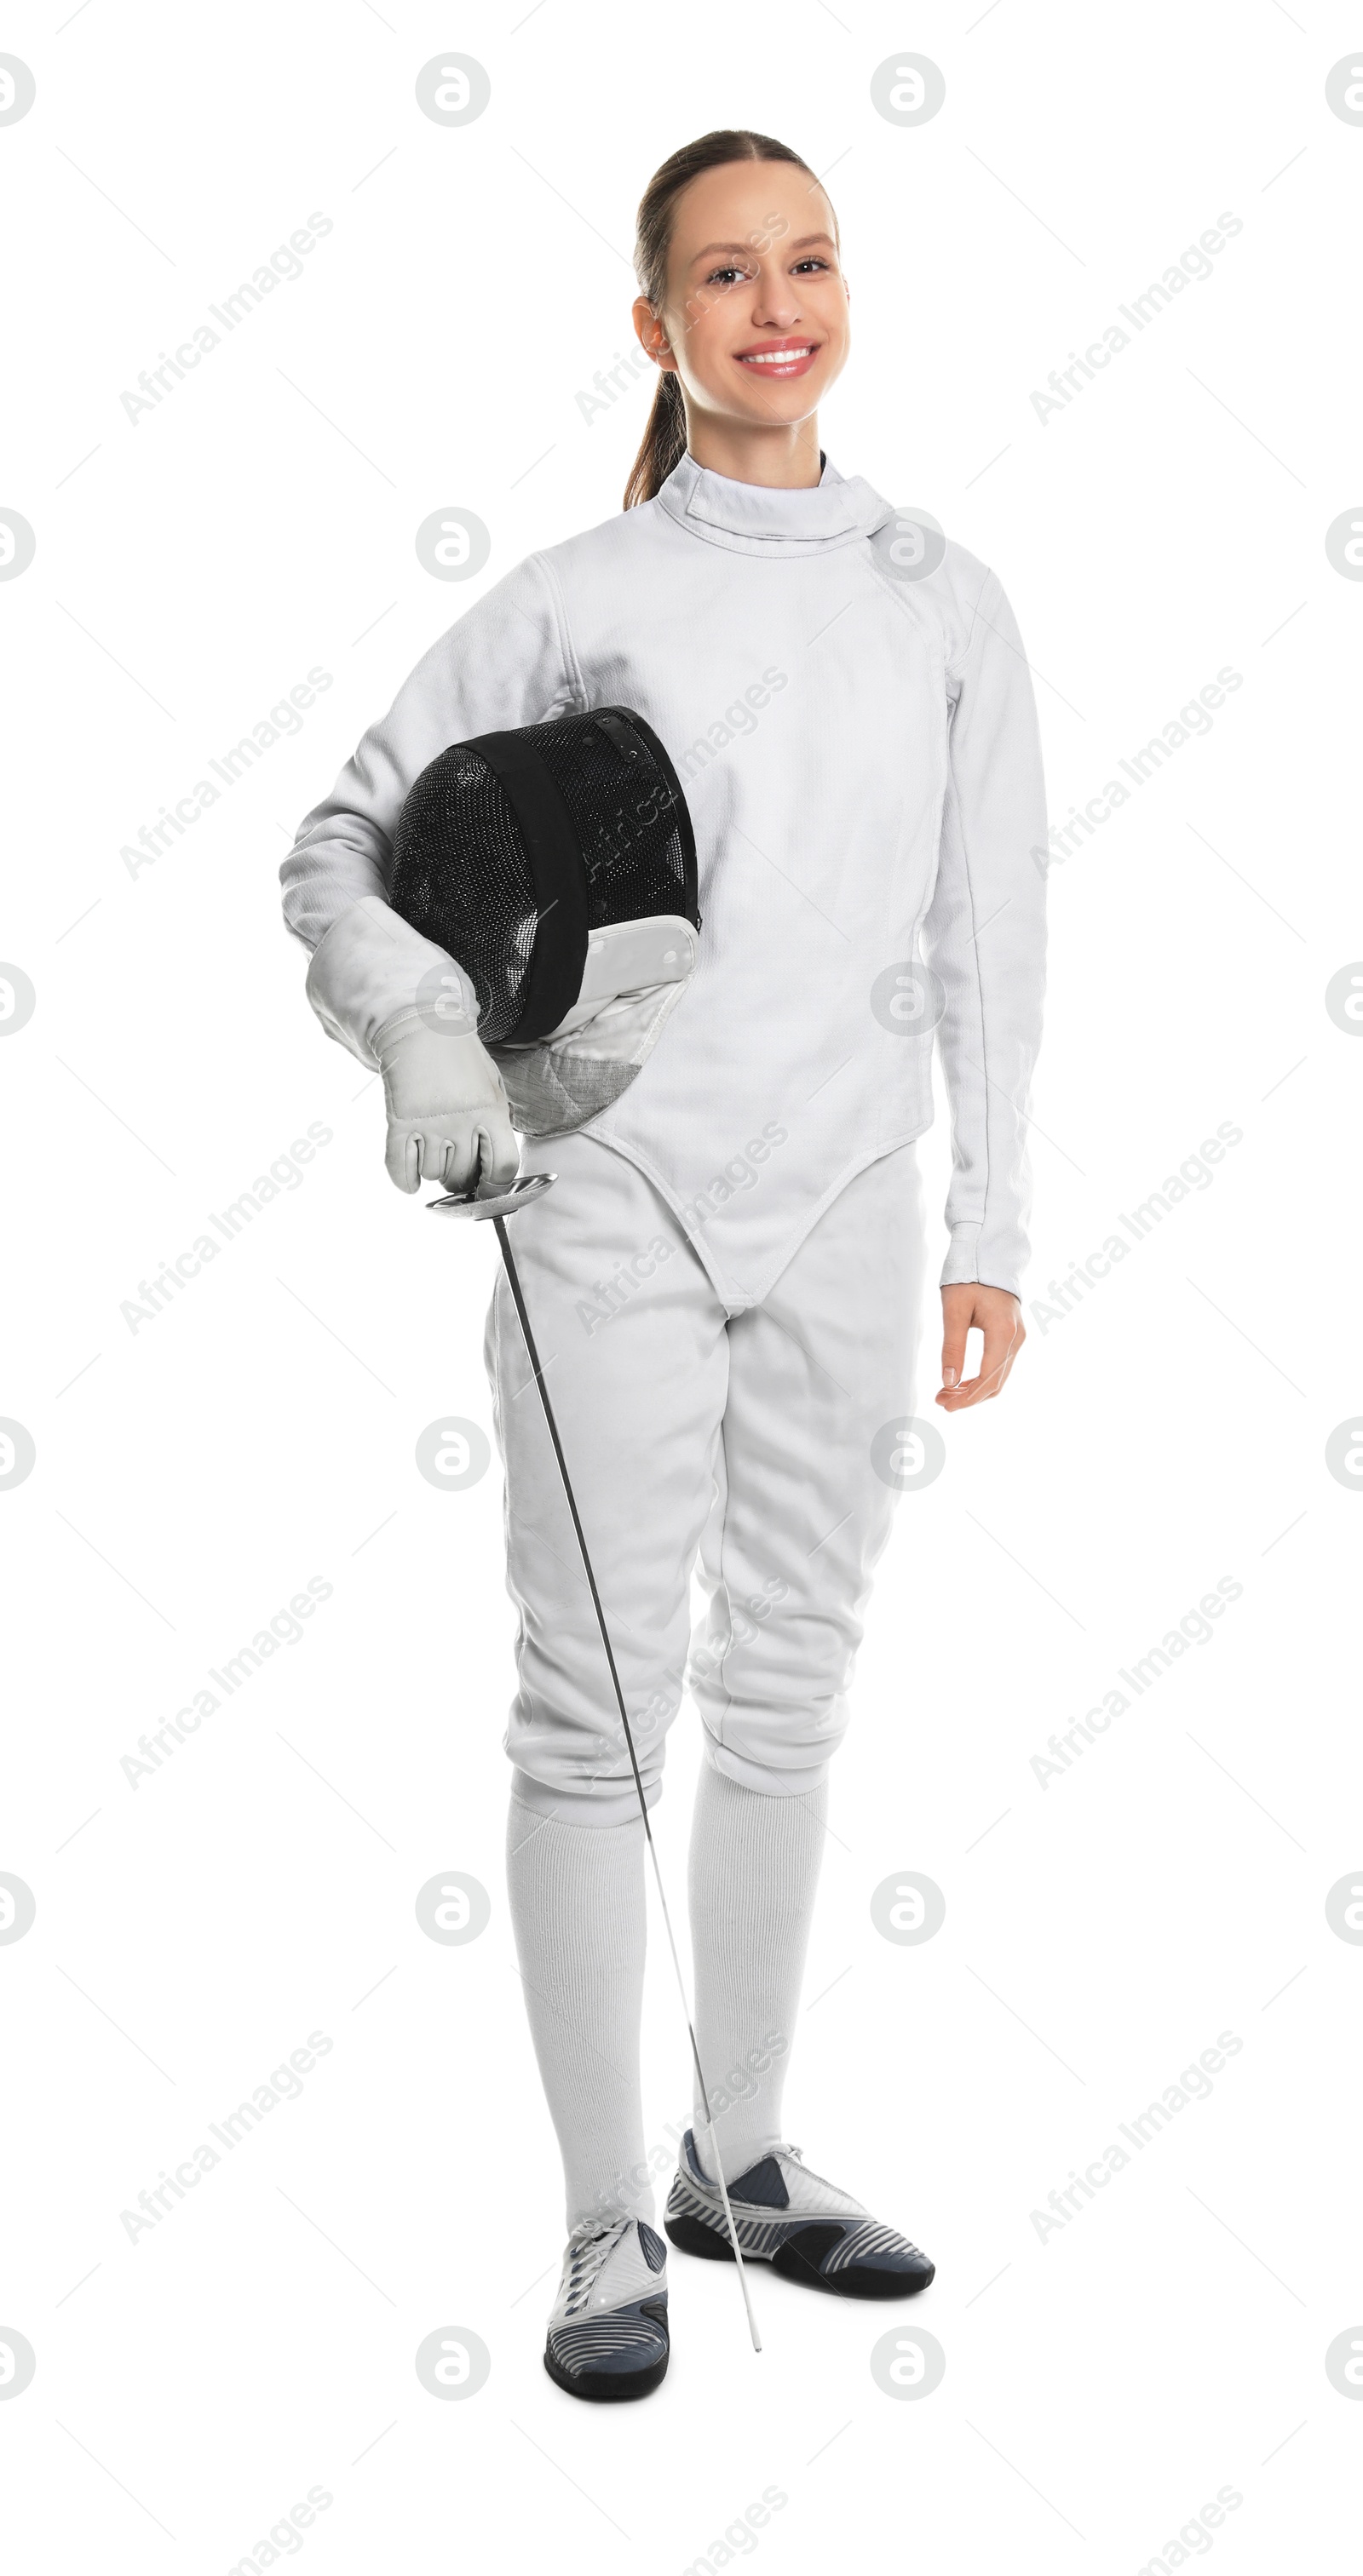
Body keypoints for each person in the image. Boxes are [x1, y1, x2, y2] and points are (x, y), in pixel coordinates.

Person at [280, 128, 1046, 2401]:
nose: (772, 305)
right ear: (657, 323)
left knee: (795, 1683)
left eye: (806, 262)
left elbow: (988, 923)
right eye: (723, 275)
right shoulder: (575, 589)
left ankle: (743, 2158)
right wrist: (423, 1025)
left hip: (848, 1198)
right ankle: (608, 2214)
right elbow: (343, 839)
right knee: (598, 1707)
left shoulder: (943, 594)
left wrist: (992, 1218)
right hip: (602, 1196)